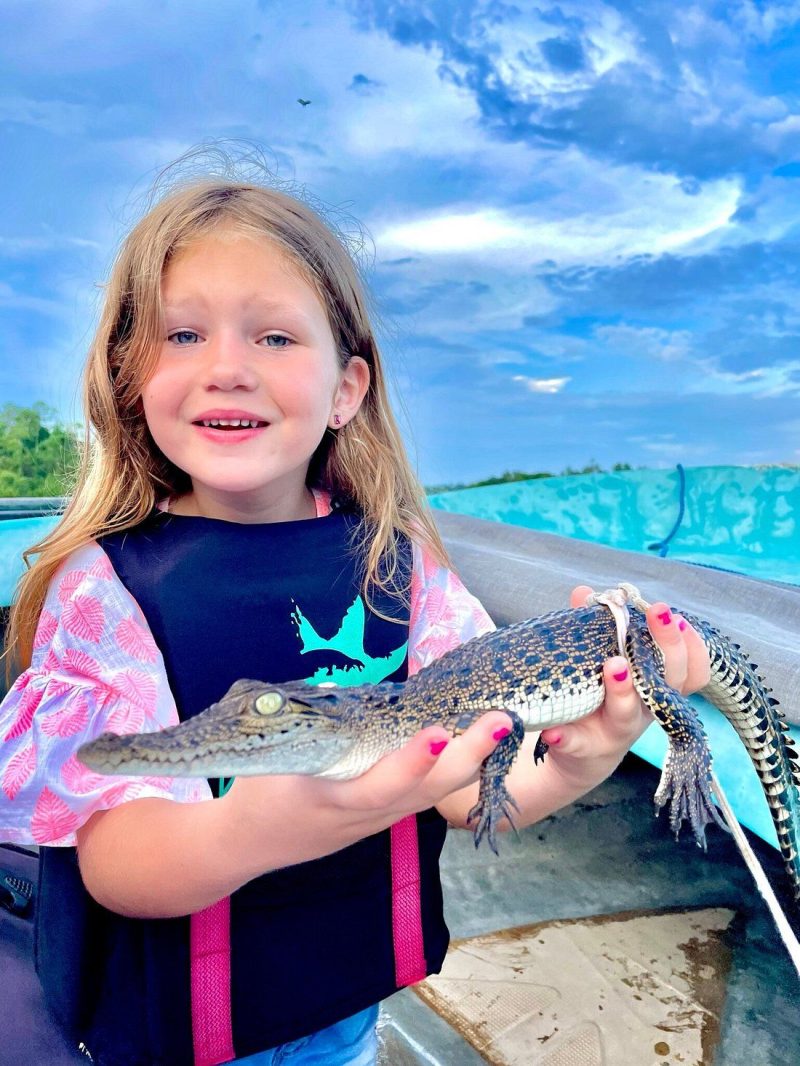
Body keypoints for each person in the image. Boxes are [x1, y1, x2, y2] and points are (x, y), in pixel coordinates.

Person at [0, 172, 710, 1066]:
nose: (227, 364)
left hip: (345, 1015)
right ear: (130, 374)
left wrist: (596, 747)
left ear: (346, 388)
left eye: (275, 335)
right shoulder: (106, 590)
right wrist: (249, 830)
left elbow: (466, 785)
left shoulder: (401, 565)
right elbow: (116, 859)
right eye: (183, 333)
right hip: (181, 1040)